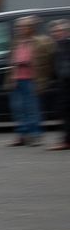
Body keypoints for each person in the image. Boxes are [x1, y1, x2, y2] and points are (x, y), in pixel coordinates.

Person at [6, 15, 55, 147]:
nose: (20, 29)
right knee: (18, 108)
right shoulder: (17, 42)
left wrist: (41, 73)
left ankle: (35, 135)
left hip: (31, 79)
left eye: (23, 26)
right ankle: (22, 135)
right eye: (19, 26)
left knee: (32, 108)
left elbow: (48, 60)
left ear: (31, 28)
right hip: (16, 79)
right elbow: (12, 60)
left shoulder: (40, 42)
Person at [51, 19, 70, 151]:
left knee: (66, 111)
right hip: (63, 82)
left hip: (68, 82)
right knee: (64, 111)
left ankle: (67, 141)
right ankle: (66, 139)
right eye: (54, 31)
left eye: (59, 31)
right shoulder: (58, 45)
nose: (56, 33)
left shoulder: (66, 44)